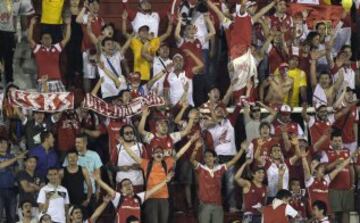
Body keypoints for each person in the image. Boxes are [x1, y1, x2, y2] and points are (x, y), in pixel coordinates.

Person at [121, 133, 199, 223]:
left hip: (164, 199)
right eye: (156, 152)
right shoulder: (146, 164)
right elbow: (133, 155)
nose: (159, 154)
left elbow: (180, 153)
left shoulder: (167, 163)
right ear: (152, 155)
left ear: (163, 155)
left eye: (161, 153)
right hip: (151, 198)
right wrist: (123, 144)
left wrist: (191, 141)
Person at [190, 141, 246, 223]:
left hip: (218, 205)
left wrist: (242, 149)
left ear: (215, 158)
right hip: (205, 205)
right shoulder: (201, 168)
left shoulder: (219, 168)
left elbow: (233, 161)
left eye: (210, 156)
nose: (208, 158)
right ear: (204, 159)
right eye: (206, 157)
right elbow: (192, 160)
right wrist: (196, 148)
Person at [94, 168, 174, 223]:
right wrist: (98, 180)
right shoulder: (118, 198)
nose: (128, 185)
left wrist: (165, 181)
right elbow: (108, 189)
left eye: (130, 184)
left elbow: (153, 190)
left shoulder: (139, 197)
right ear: (121, 190)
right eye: (125, 185)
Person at [122, 10, 173, 81]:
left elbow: (167, 34)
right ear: (138, 33)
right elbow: (124, 33)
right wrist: (124, 20)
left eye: (146, 30)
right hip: (138, 76)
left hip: (152, 75)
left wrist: (170, 23)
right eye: (142, 31)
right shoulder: (135, 42)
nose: (144, 32)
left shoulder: (153, 41)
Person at [27, 16, 71, 92]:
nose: (47, 39)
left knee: (60, 103)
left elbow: (67, 38)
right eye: (45, 38)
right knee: (43, 103)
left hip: (57, 81)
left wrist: (68, 24)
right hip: (43, 82)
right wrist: (31, 24)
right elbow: (30, 39)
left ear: (51, 40)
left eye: (49, 38)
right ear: (41, 41)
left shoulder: (56, 47)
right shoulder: (38, 48)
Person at [320, 131, 355, 223]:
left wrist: (352, 184)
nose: (338, 143)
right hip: (333, 189)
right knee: (335, 213)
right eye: (335, 141)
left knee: (347, 212)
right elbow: (324, 170)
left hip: (347, 188)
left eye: (339, 141)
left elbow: (351, 169)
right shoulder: (326, 153)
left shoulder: (347, 151)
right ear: (330, 142)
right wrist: (335, 163)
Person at [63, 134, 103, 211]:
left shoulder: (94, 155)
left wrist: (98, 190)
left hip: (91, 191)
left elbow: (98, 174)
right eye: (76, 142)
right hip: (74, 192)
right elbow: (65, 171)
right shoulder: (70, 156)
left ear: (85, 143)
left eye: (79, 142)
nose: (76, 144)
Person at [0, 0, 34, 83]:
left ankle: (9, 82)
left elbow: (23, 17)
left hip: (10, 33)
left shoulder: (20, 2)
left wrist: (24, 33)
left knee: (9, 59)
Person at [0, 136, 27, 223]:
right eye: (0, 143)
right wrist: (16, 157)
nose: (3, 145)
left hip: (12, 190)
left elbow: (17, 172)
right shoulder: (14, 157)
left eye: (4, 143)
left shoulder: (11, 156)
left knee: (11, 216)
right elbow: (1, 165)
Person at [112, 125, 145, 193]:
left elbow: (148, 164)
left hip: (137, 182)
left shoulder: (141, 146)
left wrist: (140, 166)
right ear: (122, 136)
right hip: (121, 183)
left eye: (131, 132)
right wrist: (120, 168)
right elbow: (110, 166)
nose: (129, 135)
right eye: (127, 133)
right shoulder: (117, 148)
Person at [235, 159, 266, 223]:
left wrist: (263, 209)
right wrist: (245, 164)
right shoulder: (248, 184)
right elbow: (236, 178)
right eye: (259, 172)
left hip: (260, 216)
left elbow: (264, 204)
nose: (262, 174)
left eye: (263, 172)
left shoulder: (265, 187)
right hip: (248, 216)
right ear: (253, 174)